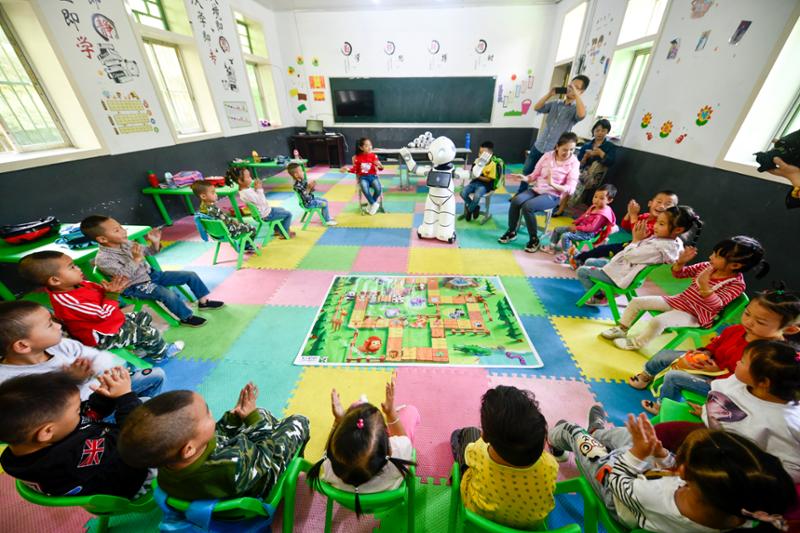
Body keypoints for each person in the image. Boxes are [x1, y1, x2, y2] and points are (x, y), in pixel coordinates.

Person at [548, 409, 796, 533]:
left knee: (573, 432)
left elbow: (616, 481)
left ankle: (558, 444)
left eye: (681, 462)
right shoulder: (740, 513)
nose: (676, 463)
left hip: (619, 494)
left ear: (685, 474)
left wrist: (636, 456)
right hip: (645, 481)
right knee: (629, 438)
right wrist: (659, 455)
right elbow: (671, 471)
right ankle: (598, 432)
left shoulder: (661, 499)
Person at [118, 382, 309, 500]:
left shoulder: (167, 466)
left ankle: (260, 423)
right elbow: (265, 453)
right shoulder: (231, 463)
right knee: (298, 420)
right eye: (208, 414)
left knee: (261, 414)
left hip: (230, 478)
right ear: (189, 449)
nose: (212, 415)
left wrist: (234, 418)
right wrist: (253, 420)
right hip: (262, 478)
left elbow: (215, 436)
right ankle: (294, 466)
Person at [630, 287, 800, 415]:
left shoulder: (772, 355)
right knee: (666, 354)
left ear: (790, 329)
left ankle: (663, 406)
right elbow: (716, 344)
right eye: (747, 313)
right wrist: (706, 352)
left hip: (723, 386)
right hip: (710, 365)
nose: (748, 322)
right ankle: (646, 375)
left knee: (673, 377)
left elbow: (746, 384)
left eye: (760, 322)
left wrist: (717, 371)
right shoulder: (736, 330)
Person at [653, 340, 800, 486]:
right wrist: (706, 411)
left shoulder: (784, 423)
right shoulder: (741, 381)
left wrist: (750, 476)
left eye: (743, 362)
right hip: (709, 433)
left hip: (731, 461)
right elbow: (724, 400)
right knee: (659, 433)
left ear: (764, 382)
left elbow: (792, 469)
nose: (737, 362)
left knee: (691, 474)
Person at [0, 369, 151, 498]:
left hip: (104, 456)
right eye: (77, 410)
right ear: (47, 431)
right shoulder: (71, 457)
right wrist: (125, 397)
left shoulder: (22, 446)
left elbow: (88, 416)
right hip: (131, 480)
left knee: (140, 404)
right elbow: (134, 436)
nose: (80, 412)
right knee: (149, 411)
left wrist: (103, 397)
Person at [602, 236, 768, 351]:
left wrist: (705, 286)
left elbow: (716, 305)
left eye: (717, 256)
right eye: (713, 253)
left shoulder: (736, 284)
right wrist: (680, 263)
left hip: (695, 315)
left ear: (735, 266)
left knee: (658, 321)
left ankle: (636, 343)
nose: (711, 257)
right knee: (637, 302)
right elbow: (679, 274)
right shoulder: (707, 266)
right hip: (678, 301)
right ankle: (622, 328)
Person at [18, 252, 182, 362]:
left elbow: (100, 294)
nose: (78, 268)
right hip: (102, 335)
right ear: (55, 280)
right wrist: (112, 295)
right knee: (149, 333)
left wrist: (109, 289)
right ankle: (161, 354)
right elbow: (102, 313)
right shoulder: (67, 300)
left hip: (110, 323)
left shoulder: (78, 284)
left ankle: (142, 346)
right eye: (72, 267)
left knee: (143, 316)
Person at [0, 301, 165, 400]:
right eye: (50, 325)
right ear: (23, 346)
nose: (59, 326)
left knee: (157, 375)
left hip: (101, 388)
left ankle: (133, 408)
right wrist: (71, 381)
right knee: (142, 405)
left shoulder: (59, 345)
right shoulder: (9, 382)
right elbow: (46, 413)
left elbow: (98, 358)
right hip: (86, 413)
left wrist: (101, 370)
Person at [82, 216, 223, 328]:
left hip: (152, 275)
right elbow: (123, 276)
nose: (123, 231)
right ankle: (186, 317)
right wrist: (136, 260)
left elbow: (149, 252)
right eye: (117, 230)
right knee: (167, 294)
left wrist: (154, 243)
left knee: (190, 275)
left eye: (121, 227)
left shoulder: (126, 242)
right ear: (102, 239)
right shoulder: (103, 259)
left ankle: (203, 302)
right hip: (135, 285)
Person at [449, 386, 558, 530]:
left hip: (479, 518)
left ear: (485, 436)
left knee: (467, 433)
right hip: (528, 524)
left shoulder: (479, 451)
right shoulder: (550, 465)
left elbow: (469, 454)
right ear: (542, 441)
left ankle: (458, 435)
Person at [305, 380, 417, 514]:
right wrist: (391, 414)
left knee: (357, 408)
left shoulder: (329, 467)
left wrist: (338, 421)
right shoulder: (398, 456)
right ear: (388, 445)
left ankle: (359, 406)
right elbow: (404, 440)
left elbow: (328, 451)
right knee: (410, 412)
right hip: (388, 498)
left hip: (348, 502)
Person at [577, 205, 699, 306]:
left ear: (678, 230)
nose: (655, 226)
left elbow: (629, 255)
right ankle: (601, 290)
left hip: (621, 277)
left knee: (582, 271)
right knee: (590, 261)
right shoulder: (673, 243)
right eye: (657, 222)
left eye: (661, 224)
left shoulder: (658, 249)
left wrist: (636, 240)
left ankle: (599, 297)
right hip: (624, 269)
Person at [498, 132, 580, 253]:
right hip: (537, 189)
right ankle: (511, 231)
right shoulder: (547, 156)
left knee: (528, 206)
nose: (568, 153)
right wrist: (525, 178)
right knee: (516, 200)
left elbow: (571, 188)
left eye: (572, 150)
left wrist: (553, 184)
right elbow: (534, 175)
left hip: (553, 195)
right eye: (565, 149)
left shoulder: (574, 163)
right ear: (557, 146)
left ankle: (534, 239)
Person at [516, 75, 589, 194]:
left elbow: (581, 115)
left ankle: (539, 196)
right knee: (527, 171)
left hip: (554, 150)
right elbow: (537, 107)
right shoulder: (556, 103)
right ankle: (520, 194)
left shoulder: (577, 109)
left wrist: (576, 94)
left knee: (546, 176)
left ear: (582, 92)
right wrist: (550, 94)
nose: (571, 89)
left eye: (576, 87)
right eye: (571, 85)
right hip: (539, 144)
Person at [571, 190, 679, 269]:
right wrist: (629, 212)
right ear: (650, 203)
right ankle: (580, 258)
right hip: (631, 244)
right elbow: (625, 225)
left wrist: (633, 215)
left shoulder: (659, 225)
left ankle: (579, 259)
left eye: (668, 204)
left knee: (605, 251)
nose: (662, 206)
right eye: (659, 202)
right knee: (603, 249)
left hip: (637, 251)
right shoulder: (645, 216)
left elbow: (637, 234)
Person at [541, 183, 617, 263]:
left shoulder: (601, 215)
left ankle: (566, 255)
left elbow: (591, 228)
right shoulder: (594, 206)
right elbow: (584, 216)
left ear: (609, 200)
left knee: (565, 236)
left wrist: (577, 228)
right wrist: (576, 222)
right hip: (580, 228)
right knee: (557, 229)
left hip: (587, 234)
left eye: (601, 198)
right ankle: (551, 247)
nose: (596, 200)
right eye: (595, 196)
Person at [557, 118, 617, 216]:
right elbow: (579, 163)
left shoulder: (609, 146)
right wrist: (585, 157)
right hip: (583, 171)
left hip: (596, 175)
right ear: (593, 131)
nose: (600, 133)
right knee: (566, 176)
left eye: (603, 130)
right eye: (597, 130)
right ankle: (561, 203)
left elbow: (611, 162)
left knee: (576, 179)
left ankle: (565, 205)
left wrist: (601, 153)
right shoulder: (587, 145)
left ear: (607, 131)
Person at [232, 167, 295, 239]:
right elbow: (261, 201)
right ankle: (285, 233)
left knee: (281, 209)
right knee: (288, 214)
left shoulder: (244, 191)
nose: (251, 178)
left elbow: (255, 198)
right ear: (240, 181)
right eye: (248, 177)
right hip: (266, 215)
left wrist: (255, 188)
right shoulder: (247, 193)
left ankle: (277, 230)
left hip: (263, 212)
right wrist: (259, 189)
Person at [191, 180, 259, 243]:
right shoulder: (213, 210)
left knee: (243, 225)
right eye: (213, 193)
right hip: (229, 233)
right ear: (203, 196)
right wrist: (234, 222)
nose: (216, 194)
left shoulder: (202, 210)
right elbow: (225, 220)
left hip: (215, 235)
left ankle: (244, 244)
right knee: (251, 228)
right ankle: (247, 245)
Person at [459, 140, 501, 221]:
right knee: (463, 193)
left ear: (490, 154)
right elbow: (472, 173)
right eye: (479, 152)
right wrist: (473, 173)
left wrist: (478, 176)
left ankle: (469, 211)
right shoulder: (477, 161)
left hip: (485, 185)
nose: (480, 155)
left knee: (477, 196)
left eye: (483, 153)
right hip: (474, 182)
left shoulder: (493, 165)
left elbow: (489, 180)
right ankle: (475, 207)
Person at [343, 137, 384, 216]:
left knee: (378, 189)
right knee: (364, 188)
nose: (369, 147)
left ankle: (371, 204)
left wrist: (381, 166)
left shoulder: (374, 156)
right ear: (361, 148)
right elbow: (356, 170)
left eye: (370, 145)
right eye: (366, 146)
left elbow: (380, 168)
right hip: (363, 178)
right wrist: (347, 169)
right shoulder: (357, 158)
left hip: (373, 176)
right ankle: (373, 204)